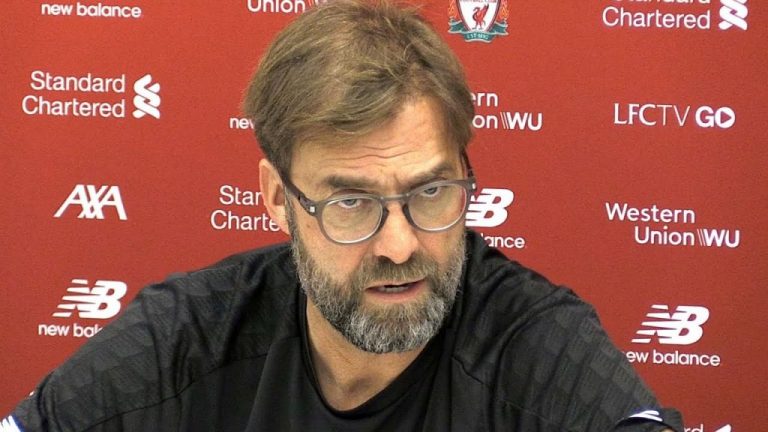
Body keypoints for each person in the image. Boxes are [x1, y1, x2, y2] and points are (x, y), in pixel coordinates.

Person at [5, 1, 683, 431]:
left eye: (430, 192)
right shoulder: (189, 337)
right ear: (278, 199)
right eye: (351, 203)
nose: (399, 245)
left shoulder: (534, 344)